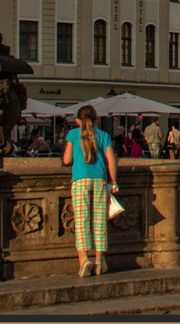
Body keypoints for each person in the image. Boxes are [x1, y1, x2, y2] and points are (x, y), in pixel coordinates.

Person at [64, 104, 119, 277]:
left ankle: (83, 259)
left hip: (80, 179)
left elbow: (66, 160)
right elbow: (111, 161)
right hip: (100, 180)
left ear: (77, 120)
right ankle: (98, 261)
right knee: (99, 221)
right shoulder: (104, 136)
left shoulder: (73, 134)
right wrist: (114, 181)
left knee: (82, 221)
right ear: (96, 119)